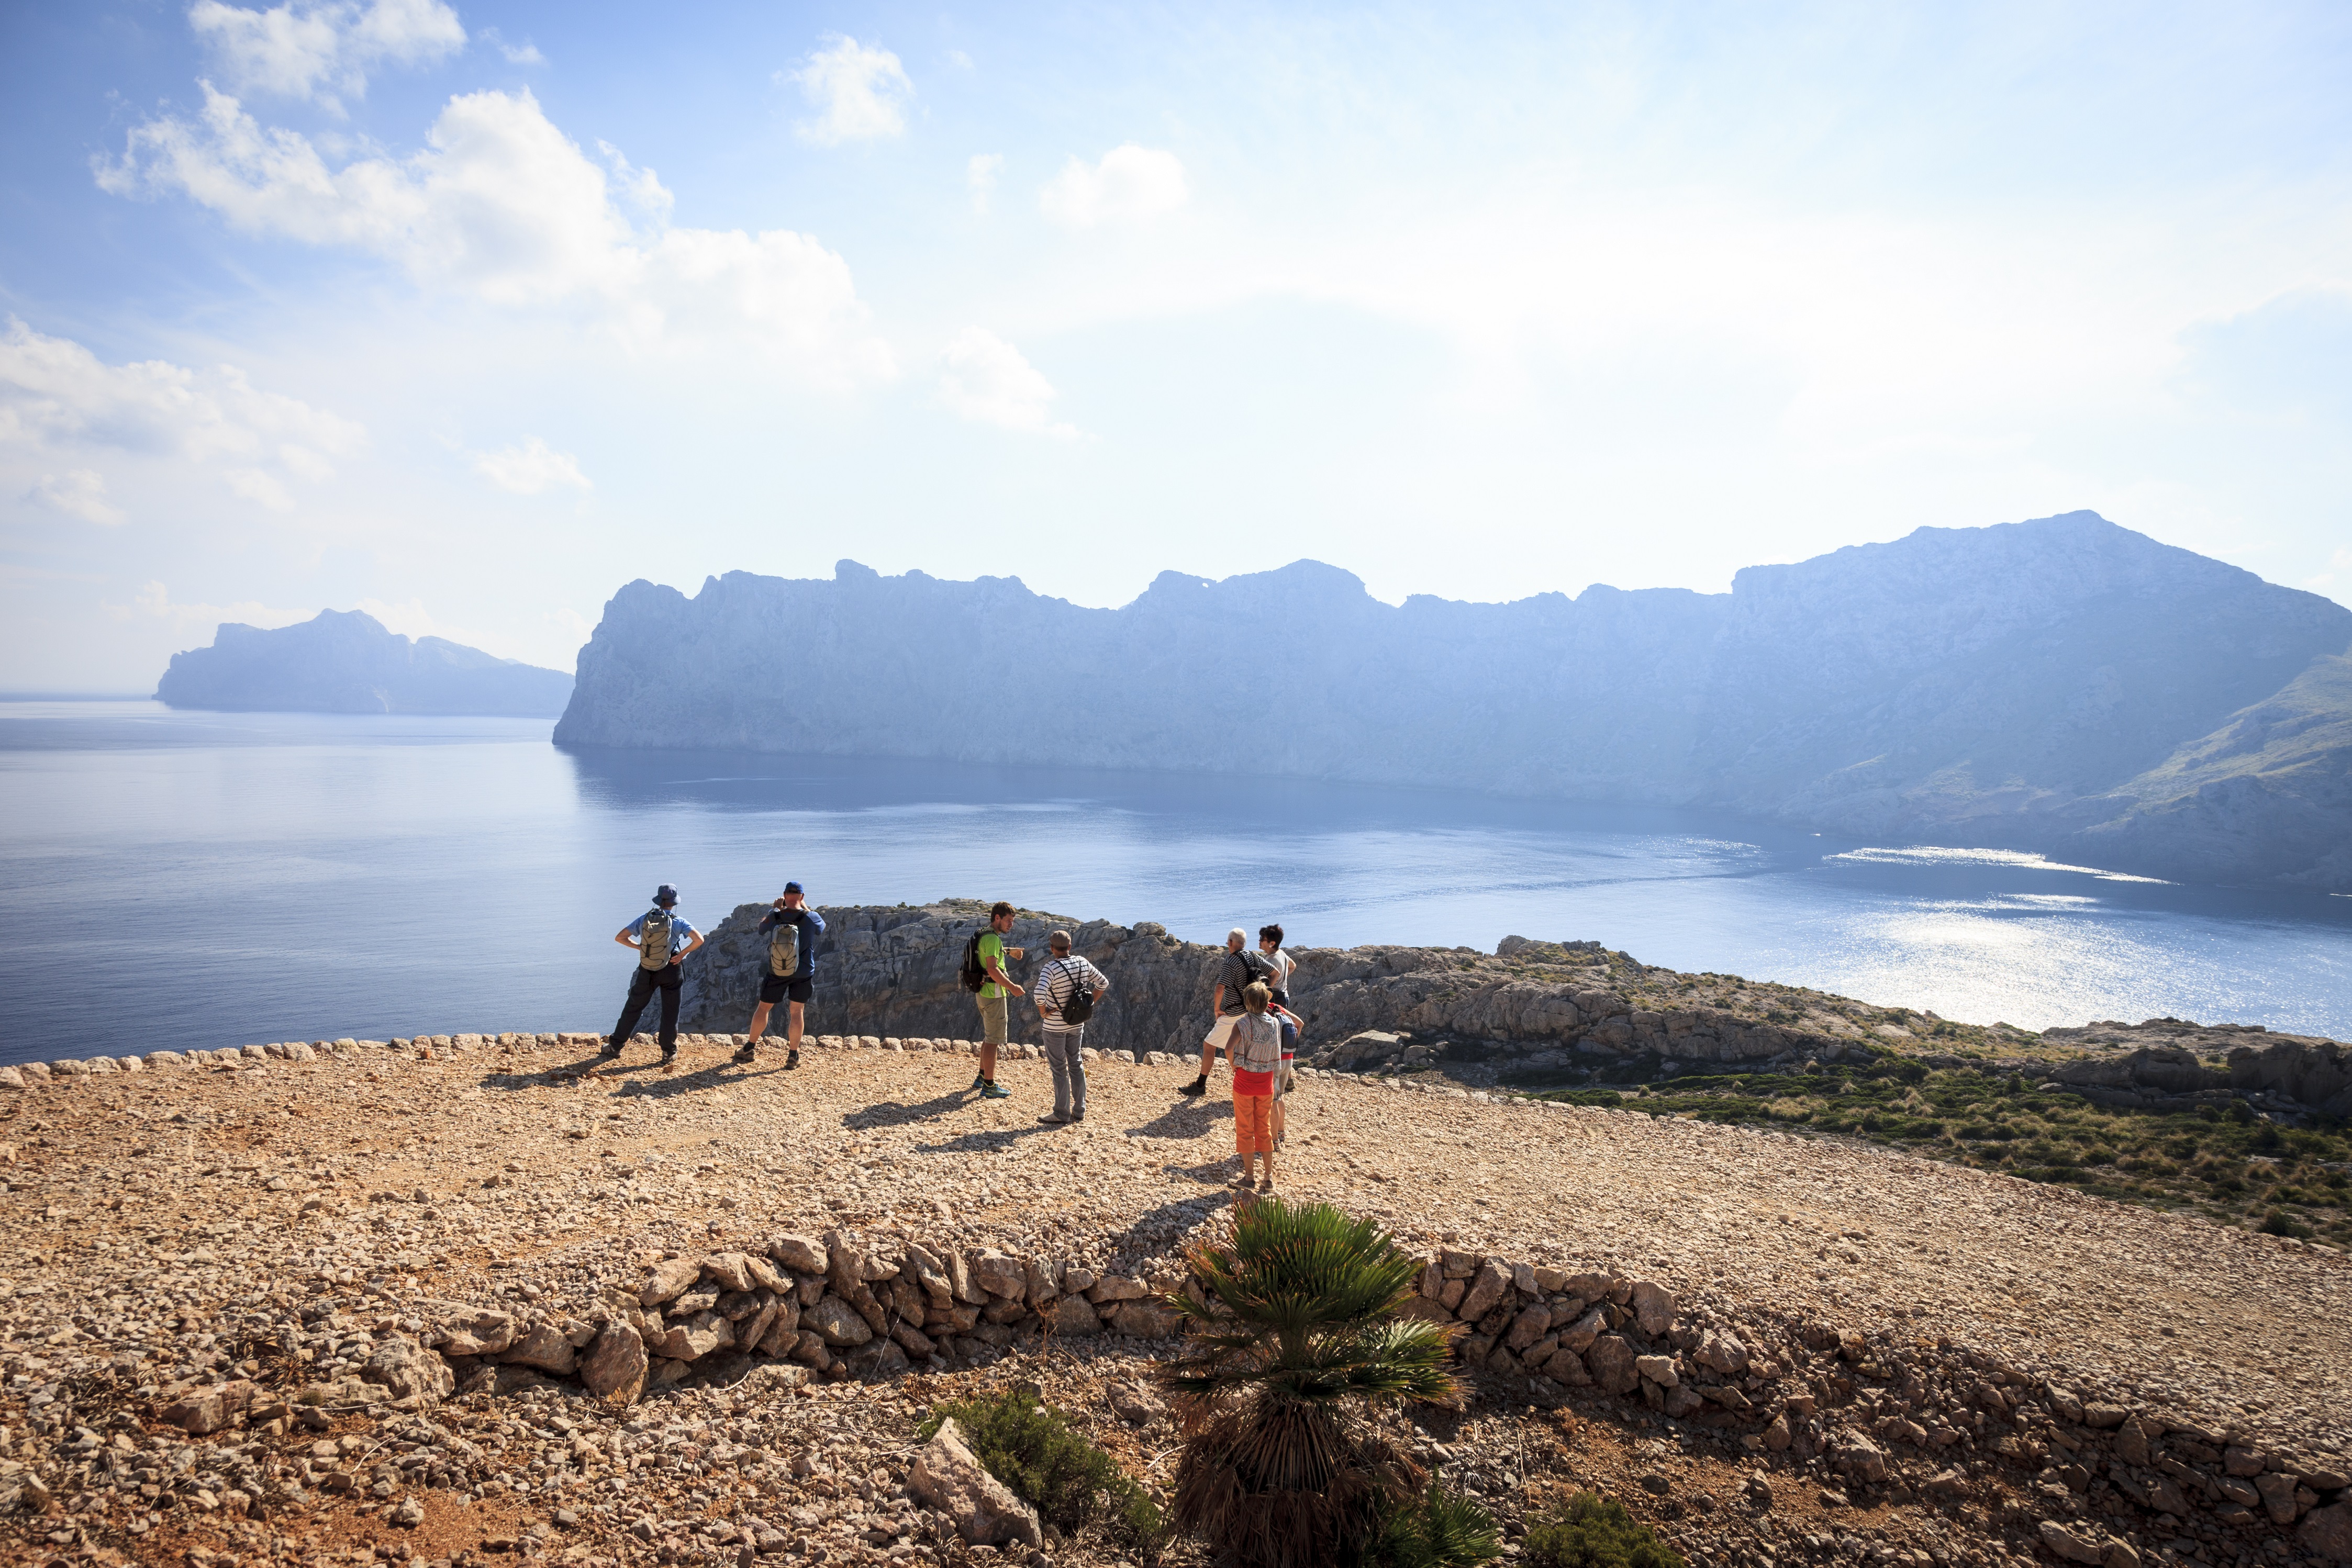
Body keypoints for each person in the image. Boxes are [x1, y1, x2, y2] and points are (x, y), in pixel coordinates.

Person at [602, 884, 704, 1070]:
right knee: (670, 1012)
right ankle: (668, 1053)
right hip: (672, 968)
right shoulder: (679, 921)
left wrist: (640, 948)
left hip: (647, 969)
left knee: (633, 1007)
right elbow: (699, 940)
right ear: (674, 903)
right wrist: (682, 955)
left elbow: (620, 938)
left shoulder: (644, 919)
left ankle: (615, 1047)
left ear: (658, 900)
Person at [1178, 928, 1276, 1097]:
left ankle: (1201, 1085)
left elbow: (1220, 988)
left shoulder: (1231, 960)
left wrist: (1217, 1010)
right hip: (1254, 1010)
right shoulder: (1253, 957)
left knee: (1209, 1045)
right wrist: (1264, 996)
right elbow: (1275, 973)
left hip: (1235, 1012)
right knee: (1247, 1048)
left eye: (1227, 942)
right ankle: (1259, 1086)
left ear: (1231, 943)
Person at [741, 882, 825, 1068]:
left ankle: (749, 1048)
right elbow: (821, 930)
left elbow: (761, 930)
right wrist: (805, 908)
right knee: (797, 1012)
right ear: (802, 897)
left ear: (785, 895)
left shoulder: (775, 916)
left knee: (763, 1009)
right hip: (803, 971)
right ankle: (793, 1056)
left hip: (777, 970)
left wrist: (774, 910)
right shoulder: (812, 917)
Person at [1030, 929, 1109, 1125]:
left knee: (1059, 1068)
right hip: (1076, 1023)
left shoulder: (1050, 968)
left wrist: (1043, 1012)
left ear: (1052, 949)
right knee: (1076, 1063)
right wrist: (1091, 1004)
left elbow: (1039, 994)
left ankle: (1061, 1113)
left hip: (1054, 1026)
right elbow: (1103, 983)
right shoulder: (1082, 962)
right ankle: (1080, 1110)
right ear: (1070, 947)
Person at [1227, 982, 1285, 1192]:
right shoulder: (1274, 1023)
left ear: (1247, 1002)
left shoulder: (1242, 1023)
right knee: (1265, 1129)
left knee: (1245, 1129)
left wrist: (1234, 1066)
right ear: (1266, 1002)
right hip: (1266, 1083)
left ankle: (1249, 1177)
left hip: (1244, 1082)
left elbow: (1228, 1048)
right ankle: (1268, 1179)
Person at [971, 901, 1025, 1100]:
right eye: (1009, 921)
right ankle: (990, 1086)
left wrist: (1010, 951)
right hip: (993, 994)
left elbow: (989, 955)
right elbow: (993, 970)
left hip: (981, 992)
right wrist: (1012, 987)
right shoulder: (993, 939)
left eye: (1012, 921)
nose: (1011, 925)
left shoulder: (984, 933)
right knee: (994, 1041)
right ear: (997, 919)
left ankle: (981, 1077)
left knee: (989, 1036)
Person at [1258, 923, 1302, 1146]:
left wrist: (1267, 989)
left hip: (1275, 996)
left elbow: (1271, 977)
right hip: (1284, 995)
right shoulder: (1283, 955)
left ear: (1271, 943)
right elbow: (1292, 966)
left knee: (1272, 1029)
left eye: (1263, 940)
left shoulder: (1273, 959)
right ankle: (1288, 1070)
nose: (1260, 943)